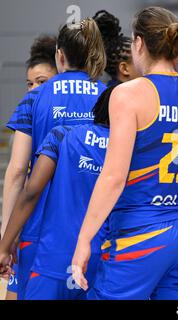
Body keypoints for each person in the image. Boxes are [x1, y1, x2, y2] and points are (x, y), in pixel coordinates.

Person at [71, 6, 178, 300]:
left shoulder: (128, 93)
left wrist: (83, 240)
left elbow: (114, 177)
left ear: (139, 43)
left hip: (141, 232)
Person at [2, 18, 106, 299]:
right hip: (98, 231)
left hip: (42, 231)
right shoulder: (109, 97)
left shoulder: (35, 97)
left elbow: (17, 171)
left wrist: (6, 236)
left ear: (59, 55)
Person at [3, 34, 58, 301]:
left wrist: (6, 235)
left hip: (35, 226)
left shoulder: (32, 106)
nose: (33, 89)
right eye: (29, 83)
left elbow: (15, 173)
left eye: (41, 82)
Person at [93, 10, 140, 85]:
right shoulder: (119, 95)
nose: (146, 64)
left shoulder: (105, 92)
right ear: (124, 68)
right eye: (140, 61)